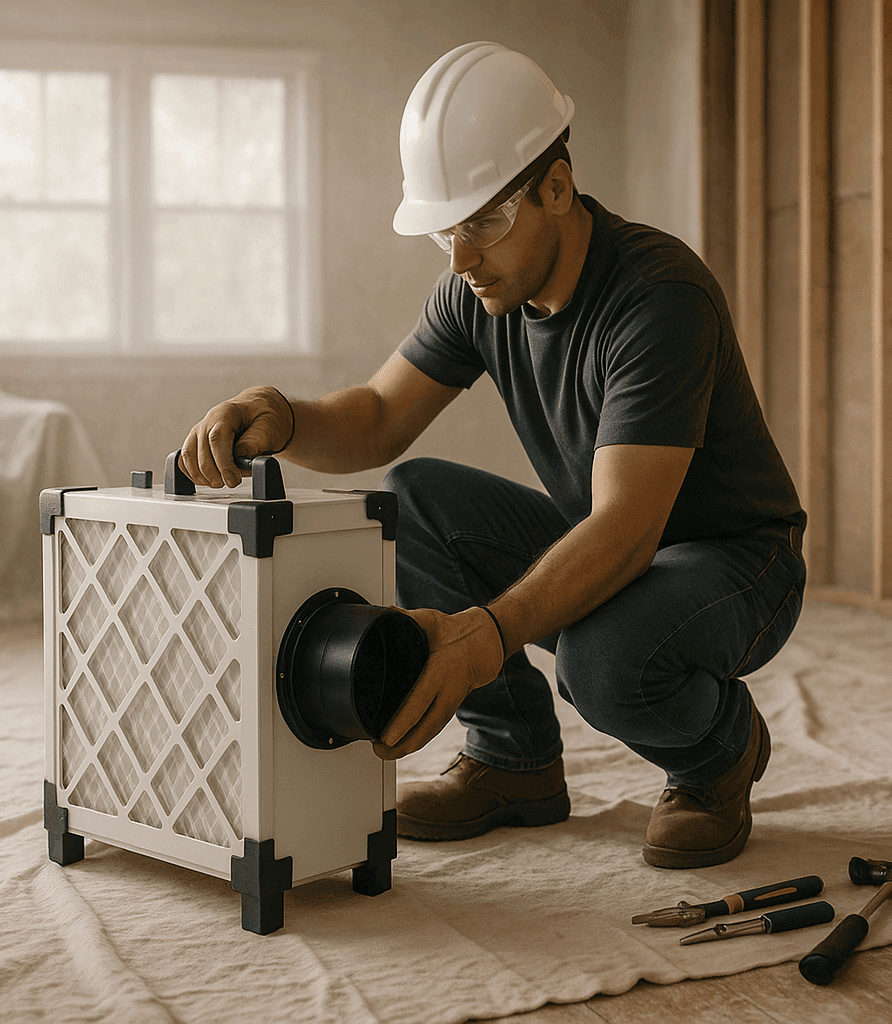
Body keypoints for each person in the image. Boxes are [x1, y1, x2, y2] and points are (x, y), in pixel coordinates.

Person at [180, 41, 805, 869]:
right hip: (624, 543)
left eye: (483, 221)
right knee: (418, 497)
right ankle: (513, 761)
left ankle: (718, 751)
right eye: (447, 230)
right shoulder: (478, 291)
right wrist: (283, 416)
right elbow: (375, 420)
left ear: (557, 186)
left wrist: (486, 634)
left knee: (602, 659)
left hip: (737, 563)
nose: (462, 256)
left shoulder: (659, 297)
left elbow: (625, 528)